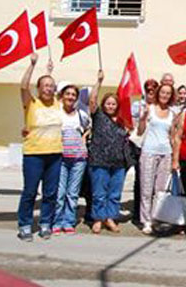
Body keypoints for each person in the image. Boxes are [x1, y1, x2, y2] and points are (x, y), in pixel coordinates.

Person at [17, 54, 62, 241]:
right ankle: (25, 225)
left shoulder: (57, 104)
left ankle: (45, 224)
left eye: (51, 86)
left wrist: (48, 73)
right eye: (45, 86)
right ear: (39, 89)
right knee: (30, 191)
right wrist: (32, 65)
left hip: (55, 155)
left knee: (50, 193)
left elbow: (48, 84)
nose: (48, 89)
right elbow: (23, 86)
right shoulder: (32, 103)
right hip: (34, 154)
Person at [88, 70, 132, 234]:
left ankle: (110, 218)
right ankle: (98, 219)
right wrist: (99, 81)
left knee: (114, 193)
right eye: (108, 103)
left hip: (119, 163)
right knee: (99, 193)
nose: (111, 106)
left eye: (114, 104)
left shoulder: (122, 121)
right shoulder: (98, 116)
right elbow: (92, 100)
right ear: (104, 104)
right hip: (99, 161)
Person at [137, 83, 176, 235]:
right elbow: (140, 132)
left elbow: (172, 136)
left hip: (165, 153)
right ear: (158, 93)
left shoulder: (172, 114)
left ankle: (155, 218)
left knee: (160, 191)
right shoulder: (150, 109)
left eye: (168, 93)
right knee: (146, 189)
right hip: (149, 152)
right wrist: (142, 119)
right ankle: (146, 220)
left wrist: (174, 157)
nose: (165, 95)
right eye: (163, 92)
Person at [52, 84, 90, 235]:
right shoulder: (56, 113)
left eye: (73, 95)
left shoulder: (81, 114)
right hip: (60, 158)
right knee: (60, 192)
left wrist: (83, 137)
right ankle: (56, 221)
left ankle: (68, 222)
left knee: (72, 193)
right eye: (67, 94)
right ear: (62, 96)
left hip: (79, 159)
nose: (70, 97)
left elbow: (88, 128)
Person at [129, 78, 158, 225]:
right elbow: (132, 123)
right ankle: (138, 213)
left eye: (153, 90)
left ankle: (153, 213)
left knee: (154, 183)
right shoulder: (137, 105)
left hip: (155, 146)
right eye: (148, 90)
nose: (151, 93)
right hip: (140, 145)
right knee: (140, 180)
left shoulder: (160, 107)